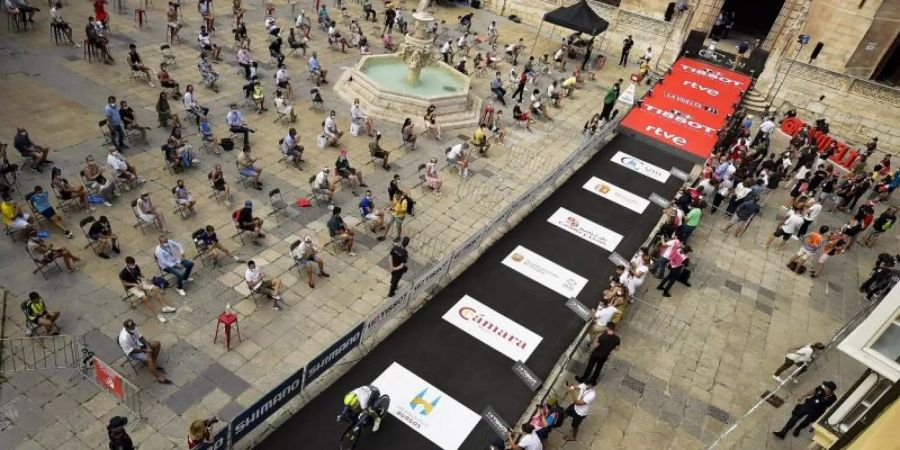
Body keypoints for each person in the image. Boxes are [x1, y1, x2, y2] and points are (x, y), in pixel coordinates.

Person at [119, 256, 177, 323]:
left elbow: (139, 274)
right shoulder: (123, 273)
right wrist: (134, 284)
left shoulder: (136, 266)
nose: (133, 265)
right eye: (132, 264)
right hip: (132, 286)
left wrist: (146, 278)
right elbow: (125, 283)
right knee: (145, 298)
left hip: (139, 282)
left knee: (157, 288)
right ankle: (158, 315)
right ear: (128, 264)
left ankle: (165, 307)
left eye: (134, 264)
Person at [773, 381, 837, 439]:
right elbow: (813, 391)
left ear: (830, 390)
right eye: (825, 387)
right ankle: (783, 432)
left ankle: (798, 429)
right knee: (795, 417)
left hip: (816, 412)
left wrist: (821, 418)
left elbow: (829, 408)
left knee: (806, 422)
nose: (825, 388)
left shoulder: (832, 398)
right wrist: (802, 396)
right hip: (808, 405)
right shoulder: (821, 388)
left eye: (827, 388)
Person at [118, 319, 172, 383]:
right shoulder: (124, 339)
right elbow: (131, 350)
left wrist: (147, 345)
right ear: (127, 328)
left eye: (133, 326)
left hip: (138, 345)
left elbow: (140, 337)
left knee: (157, 344)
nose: (134, 327)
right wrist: (145, 350)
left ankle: (153, 364)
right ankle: (159, 377)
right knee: (149, 359)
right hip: (132, 352)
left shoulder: (133, 328)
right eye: (132, 327)